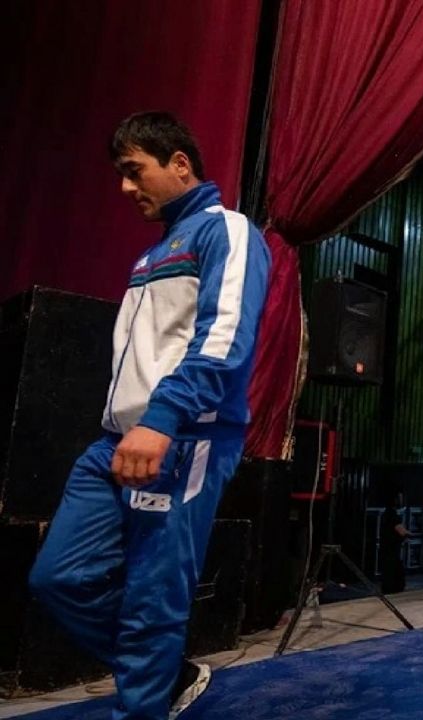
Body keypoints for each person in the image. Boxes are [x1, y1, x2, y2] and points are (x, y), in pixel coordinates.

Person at [28, 112, 270, 719]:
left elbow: (224, 341)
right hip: (116, 441)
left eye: (135, 171)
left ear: (179, 163)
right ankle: (168, 672)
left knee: (150, 601)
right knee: (58, 578)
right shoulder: (151, 255)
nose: (124, 187)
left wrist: (162, 418)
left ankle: (145, 698)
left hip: (184, 436)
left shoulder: (226, 229)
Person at [379, 492, 411, 594]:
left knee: (389, 569)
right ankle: (392, 589)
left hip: (387, 547)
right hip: (391, 548)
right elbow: (401, 531)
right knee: (394, 570)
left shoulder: (386, 514)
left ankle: (388, 588)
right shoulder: (392, 515)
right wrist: (408, 533)